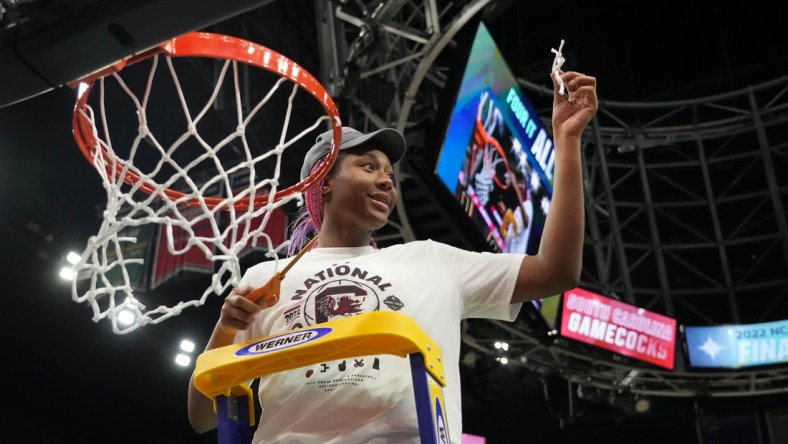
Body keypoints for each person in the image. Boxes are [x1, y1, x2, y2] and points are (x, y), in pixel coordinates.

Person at [187, 69, 598, 443]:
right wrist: (224, 330)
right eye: (368, 166)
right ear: (323, 183)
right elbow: (203, 416)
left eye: (390, 174)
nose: (386, 180)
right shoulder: (266, 277)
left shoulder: (432, 261)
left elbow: (556, 271)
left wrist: (567, 141)